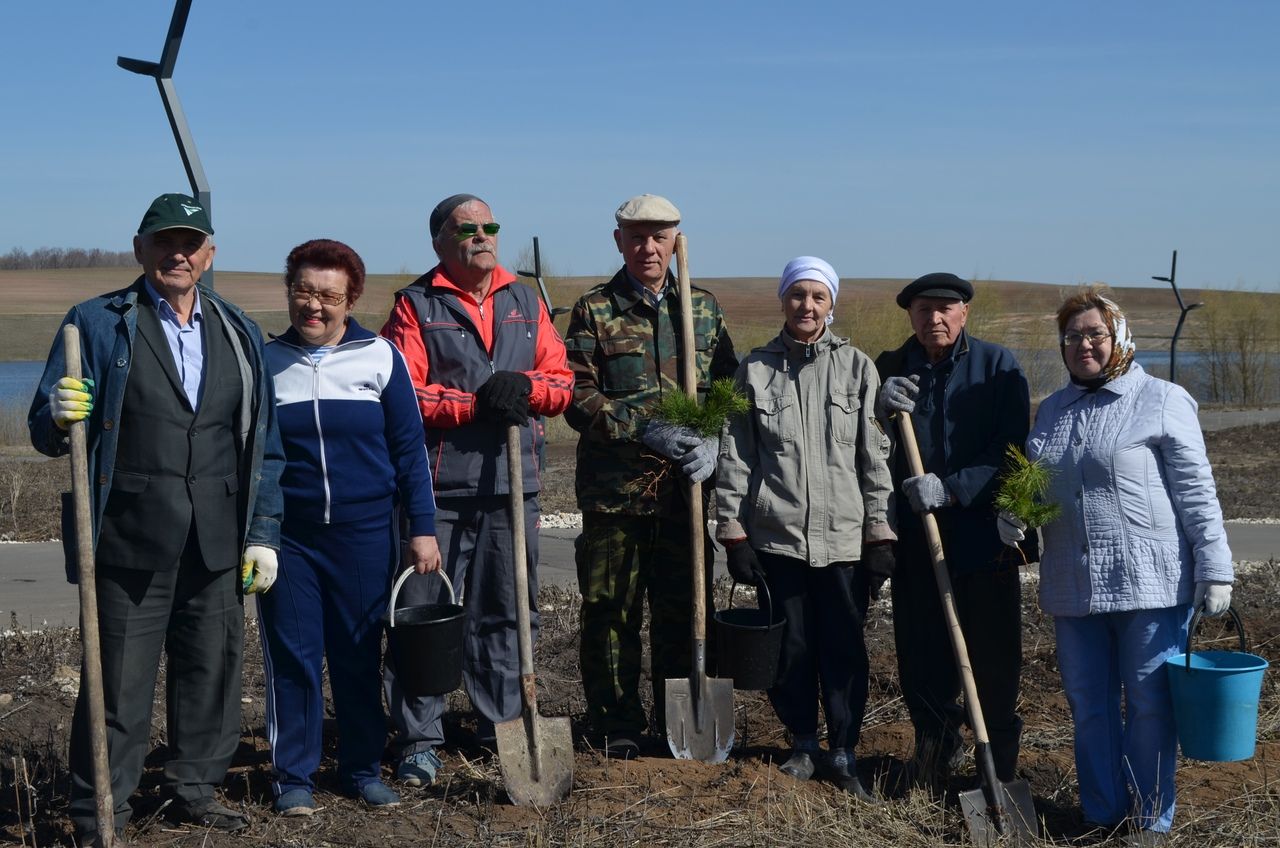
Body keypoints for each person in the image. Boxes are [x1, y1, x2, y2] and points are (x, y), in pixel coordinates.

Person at [28, 193, 283, 843]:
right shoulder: (95, 323)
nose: (179, 253)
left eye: (191, 243)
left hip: (217, 539)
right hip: (129, 538)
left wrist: (263, 535)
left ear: (210, 254)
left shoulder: (239, 331)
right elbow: (47, 432)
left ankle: (193, 790)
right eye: (164, 241)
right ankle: (100, 809)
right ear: (140, 249)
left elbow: (265, 447)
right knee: (118, 683)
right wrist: (59, 412)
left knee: (212, 673)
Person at [1000, 287, 1233, 845]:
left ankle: (1151, 819)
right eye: (1073, 336)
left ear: (1119, 338)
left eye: (1095, 334)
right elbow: (1038, 491)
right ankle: (1102, 812)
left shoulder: (1160, 398)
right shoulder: (1053, 411)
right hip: (1072, 585)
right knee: (1088, 704)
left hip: (1149, 582)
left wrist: (1215, 567)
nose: (1083, 344)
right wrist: (1013, 518)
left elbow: (1197, 491)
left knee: (1150, 705)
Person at [380, 194, 572, 786]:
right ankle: (418, 738)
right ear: (440, 242)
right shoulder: (416, 304)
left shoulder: (524, 299)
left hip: (516, 485)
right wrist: (473, 403)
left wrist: (525, 390)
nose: (482, 236)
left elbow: (560, 383)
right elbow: (403, 394)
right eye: (467, 230)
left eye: (489, 226)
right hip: (439, 491)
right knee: (425, 613)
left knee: (508, 612)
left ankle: (503, 726)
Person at [259, 239, 441, 814]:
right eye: (304, 292)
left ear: (351, 299)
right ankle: (294, 778)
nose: (314, 306)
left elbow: (410, 451)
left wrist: (423, 528)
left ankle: (362, 768)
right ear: (290, 292)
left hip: (364, 535)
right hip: (290, 539)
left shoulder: (380, 357)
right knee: (294, 657)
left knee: (360, 655)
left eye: (328, 296)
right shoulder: (264, 362)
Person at [714, 257, 895, 798]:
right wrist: (733, 530)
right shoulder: (757, 369)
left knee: (843, 649)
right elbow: (736, 455)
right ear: (783, 301)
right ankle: (802, 742)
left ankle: (843, 748)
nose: (807, 306)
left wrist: (881, 532)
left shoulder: (858, 367)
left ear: (831, 304)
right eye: (797, 295)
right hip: (778, 538)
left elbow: (874, 457)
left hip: (843, 541)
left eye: (818, 297)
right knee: (790, 649)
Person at [564, 194, 738, 757]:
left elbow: (729, 391)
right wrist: (642, 428)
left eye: (659, 236)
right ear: (619, 241)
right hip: (615, 496)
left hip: (684, 495)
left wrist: (714, 436)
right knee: (611, 609)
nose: (648, 247)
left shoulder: (703, 310)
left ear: (676, 241)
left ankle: (676, 725)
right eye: (636, 236)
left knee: (683, 610)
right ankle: (615, 724)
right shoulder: (596, 309)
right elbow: (576, 395)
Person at [874, 272, 1034, 789]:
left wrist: (952, 488)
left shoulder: (997, 366)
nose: (934, 318)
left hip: (983, 538)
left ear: (964, 313)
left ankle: (998, 765)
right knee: (922, 654)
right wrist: (876, 412)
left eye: (946, 308)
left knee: (992, 656)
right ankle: (935, 749)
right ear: (911, 316)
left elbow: (1011, 448)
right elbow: (863, 447)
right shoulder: (891, 367)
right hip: (917, 540)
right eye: (924, 309)